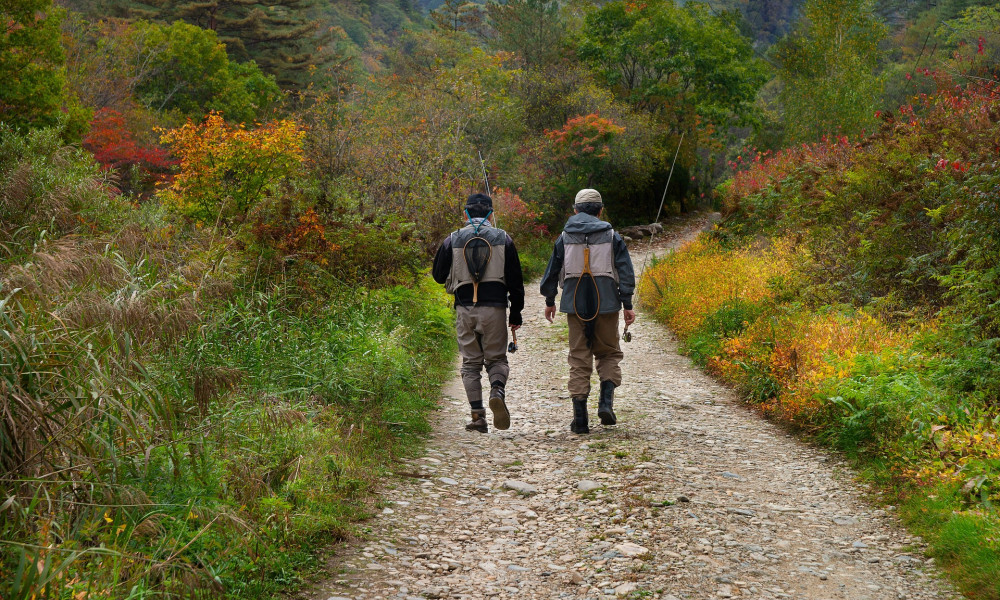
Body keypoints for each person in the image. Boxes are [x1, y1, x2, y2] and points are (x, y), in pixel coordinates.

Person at [539, 189, 636, 434]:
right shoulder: (612, 235)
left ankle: (580, 419)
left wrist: (550, 299)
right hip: (607, 304)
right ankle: (605, 403)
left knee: (579, 357)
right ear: (600, 210)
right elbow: (625, 271)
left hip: (574, 304)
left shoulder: (563, 236)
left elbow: (552, 272)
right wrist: (628, 305)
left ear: (576, 210)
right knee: (609, 353)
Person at [433, 193, 525, 433]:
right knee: (497, 359)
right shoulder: (504, 238)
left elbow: (438, 276)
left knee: (470, 364)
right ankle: (497, 390)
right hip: (494, 309)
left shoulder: (451, 240)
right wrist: (515, 314)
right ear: (491, 214)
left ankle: (478, 417)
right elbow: (516, 282)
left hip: (465, 309)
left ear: (465, 214)